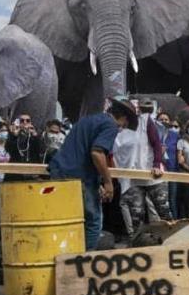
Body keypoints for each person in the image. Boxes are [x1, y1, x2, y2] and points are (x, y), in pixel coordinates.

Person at [49, 99, 138, 250]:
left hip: (60, 172)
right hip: (78, 177)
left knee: (66, 221)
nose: (123, 128)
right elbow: (97, 153)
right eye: (125, 124)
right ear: (123, 118)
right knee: (93, 221)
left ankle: (65, 257)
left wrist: (97, 184)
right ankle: (84, 261)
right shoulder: (110, 126)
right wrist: (108, 182)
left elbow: (82, 153)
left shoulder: (89, 120)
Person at [114, 100, 167, 239]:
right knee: (137, 216)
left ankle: (170, 240)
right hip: (133, 178)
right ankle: (139, 245)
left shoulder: (145, 121)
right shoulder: (118, 130)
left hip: (152, 174)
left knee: (163, 211)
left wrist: (156, 164)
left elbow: (156, 144)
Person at [156, 112, 181, 219]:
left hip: (172, 171)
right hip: (158, 172)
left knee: (172, 199)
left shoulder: (175, 135)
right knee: (160, 201)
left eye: (166, 119)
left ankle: (174, 223)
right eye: (161, 119)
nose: (164, 121)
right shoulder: (153, 134)